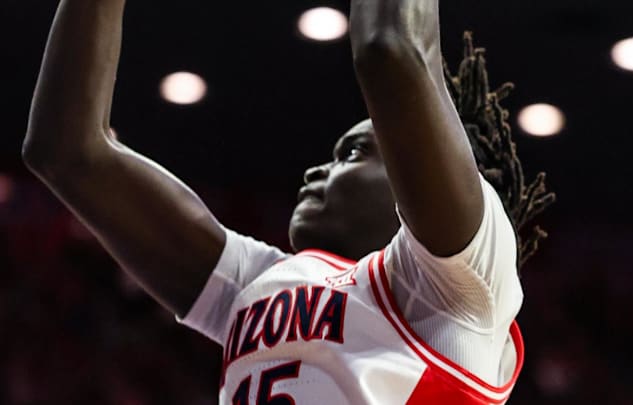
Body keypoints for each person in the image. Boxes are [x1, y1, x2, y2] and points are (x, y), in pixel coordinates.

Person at [23, 0, 554, 403]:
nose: (317, 170)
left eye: (352, 153)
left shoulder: (464, 286)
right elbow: (68, 150)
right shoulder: (259, 283)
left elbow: (391, 50)